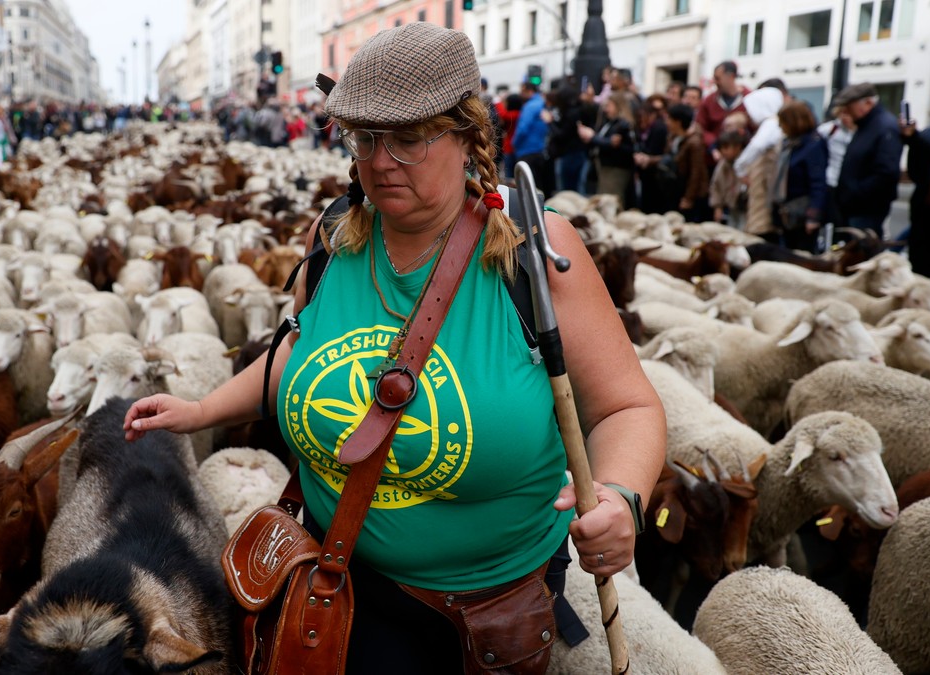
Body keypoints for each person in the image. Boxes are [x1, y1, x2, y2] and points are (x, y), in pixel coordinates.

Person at [122, 22, 665, 673]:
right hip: (340, 586)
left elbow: (627, 408)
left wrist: (620, 495)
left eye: (408, 139)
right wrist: (202, 410)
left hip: (488, 613)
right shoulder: (334, 237)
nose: (380, 161)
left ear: (468, 135)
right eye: (365, 138)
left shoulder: (535, 254)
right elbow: (302, 354)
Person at [833, 82, 904, 238]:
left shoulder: (884, 127)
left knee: (862, 249)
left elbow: (887, 172)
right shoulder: (868, 125)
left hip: (866, 207)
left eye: (849, 106)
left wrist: (856, 192)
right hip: (855, 205)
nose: (846, 111)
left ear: (868, 103)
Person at [772, 101, 828, 252]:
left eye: (782, 122)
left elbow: (818, 183)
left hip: (802, 214)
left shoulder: (813, 145)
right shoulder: (789, 144)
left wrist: (813, 217)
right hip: (787, 213)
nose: (780, 127)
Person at [733, 88, 785, 239]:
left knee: (761, 223)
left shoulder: (771, 125)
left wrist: (739, 168)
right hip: (763, 183)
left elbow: (756, 146)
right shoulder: (773, 125)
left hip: (763, 184)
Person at [578, 91, 635, 202]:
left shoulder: (623, 125)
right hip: (604, 166)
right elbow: (608, 141)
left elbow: (613, 144)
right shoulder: (609, 122)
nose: (606, 109)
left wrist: (592, 137)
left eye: (609, 106)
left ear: (618, 106)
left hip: (616, 169)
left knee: (610, 200)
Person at [901, 116, 930, 278]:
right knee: (920, 266)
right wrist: (912, 139)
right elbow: (914, 171)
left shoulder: (921, 137)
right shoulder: (929, 134)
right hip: (925, 211)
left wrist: (915, 139)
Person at [666, 103, 710, 222]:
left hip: (690, 191)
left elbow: (696, 172)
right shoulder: (673, 137)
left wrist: (688, 198)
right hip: (677, 186)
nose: (667, 122)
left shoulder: (694, 142)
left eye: (669, 119)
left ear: (678, 122)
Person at [696, 61, 750, 151]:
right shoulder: (709, 101)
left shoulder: (749, 99)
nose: (715, 82)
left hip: (742, 156)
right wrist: (713, 145)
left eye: (718, 78)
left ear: (731, 76)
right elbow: (701, 127)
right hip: (713, 156)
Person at [817, 108, 855, 229]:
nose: (845, 118)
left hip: (849, 183)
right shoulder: (829, 129)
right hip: (831, 180)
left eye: (849, 114)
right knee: (831, 218)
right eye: (843, 113)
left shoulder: (861, 132)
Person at [633, 99, 672, 214]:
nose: (641, 120)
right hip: (646, 173)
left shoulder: (659, 128)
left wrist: (645, 157)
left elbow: (656, 150)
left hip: (655, 174)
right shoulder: (645, 129)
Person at [513, 79, 550, 192]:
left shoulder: (530, 106)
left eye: (522, 91)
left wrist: (514, 143)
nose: (520, 94)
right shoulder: (542, 104)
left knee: (528, 188)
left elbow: (522, 129)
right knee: (538, 186)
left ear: (529, 91)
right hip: (539, 150)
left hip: (527, 151)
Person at [709, 130, 748, 228]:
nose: (723, 151)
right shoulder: (723, 165)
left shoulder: (747, 163)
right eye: (722, 148)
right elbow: (715, 186)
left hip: (746, 207)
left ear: (738, 147)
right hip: (730, 207)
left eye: (726, 148)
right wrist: (717, 206)